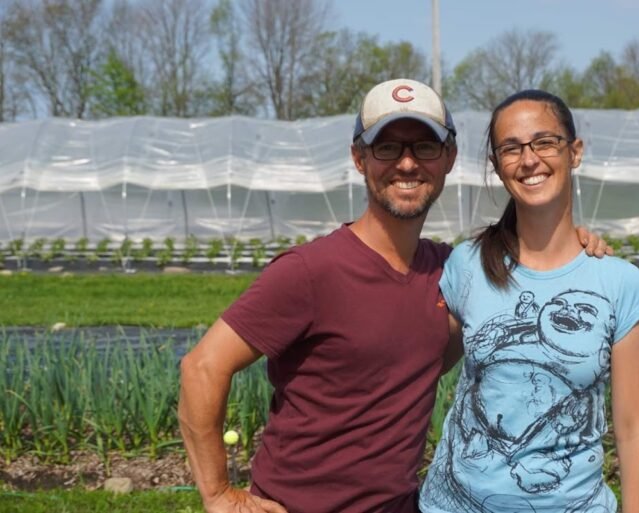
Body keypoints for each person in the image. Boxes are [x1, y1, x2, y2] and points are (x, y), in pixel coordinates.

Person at [178, 79, 609, 513]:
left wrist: (576, 242)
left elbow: (530, 264)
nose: (406, 163)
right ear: (358, 158)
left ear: (449, 158)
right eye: (386, 148)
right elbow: (202, 367)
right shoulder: (311, 271)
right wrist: (218, 494)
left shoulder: (453, 272)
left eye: (424, 146)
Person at [418, 90, 639, 513]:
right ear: (497, 166)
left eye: (544, 142)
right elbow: (420, 367)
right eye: (511, 148)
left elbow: (634, 428)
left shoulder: (621, 285)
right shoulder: (468, 266)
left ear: (575, 152)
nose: (529, 159)